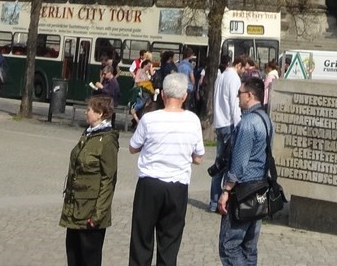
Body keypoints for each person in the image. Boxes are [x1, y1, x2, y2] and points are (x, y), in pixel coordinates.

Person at [127, 72, 205, 266]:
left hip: (150, 183)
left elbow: (132, 147)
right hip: (177, 186)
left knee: (141, 240)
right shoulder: (193, 120)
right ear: (184, 96)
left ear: (162, 95)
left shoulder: (149, 119)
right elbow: (198, 157)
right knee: (169, 243)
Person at [218, 75, 274, 266]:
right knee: (249, 247)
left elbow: (239, 163)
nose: (237, 97)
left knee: (229, 246)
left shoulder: (248, 123)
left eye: (239, 93)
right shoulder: (266, 119)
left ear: (249, 95)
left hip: (242, 191)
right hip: (260, 188)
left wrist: (226, 191)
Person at [61, 92, 119, 266]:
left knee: (89, 259)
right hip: (75, 208)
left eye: (89, 110)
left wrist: (98, 215)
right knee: (73, 256)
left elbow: (109, 180)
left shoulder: (107, 140)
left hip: (91, 212)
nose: (86, 113)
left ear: (100, 113)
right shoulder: (88, 134)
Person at [209, 54, 243, 212]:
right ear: (239, 65)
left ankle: (213, 201)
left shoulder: (221, 76)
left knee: (218, 164)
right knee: (228, 164)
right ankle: (223, 201)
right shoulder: (234, 78)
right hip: (229, 124)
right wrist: (238, 124)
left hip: (219, 122)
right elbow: (234, 104)